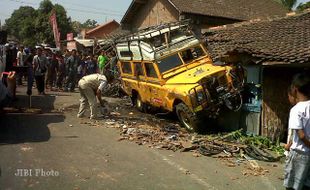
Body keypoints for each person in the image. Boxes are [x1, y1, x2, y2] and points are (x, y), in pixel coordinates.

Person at [284, 72, 310, 190]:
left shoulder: (296, 109)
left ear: (294, 89)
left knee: (293, 185)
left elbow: (301, 135)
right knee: (306, 183)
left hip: (299, 154)